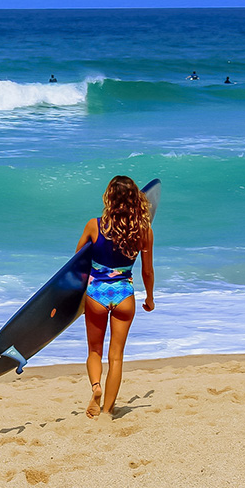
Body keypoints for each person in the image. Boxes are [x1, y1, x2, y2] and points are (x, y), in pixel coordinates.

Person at [75, 176, 155, 419]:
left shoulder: (93, 225)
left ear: (109, 197)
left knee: (94, 351)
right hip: (124, 295)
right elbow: (147, 271)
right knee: (116, 356)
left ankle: (96, 387)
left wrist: (73, 299)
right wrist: (150, 298)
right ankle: (108, 411)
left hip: (96, 294)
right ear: (136, 199)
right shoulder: (144, 231)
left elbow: (77, 263)